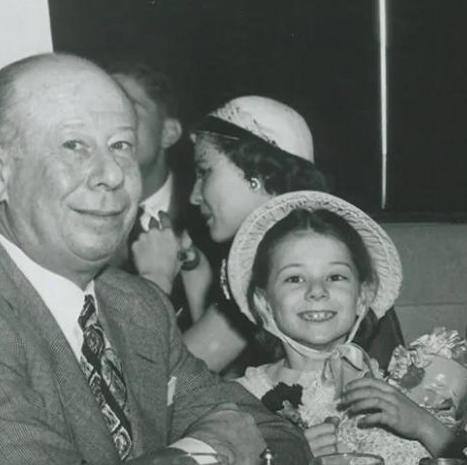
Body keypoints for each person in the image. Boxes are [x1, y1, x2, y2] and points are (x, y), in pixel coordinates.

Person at [0, 54, 309, 465]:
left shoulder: (133, 305)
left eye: (121, 146)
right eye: (74, 145)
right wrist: (211, 453)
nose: (112, 174)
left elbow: (282, 444)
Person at [228, 190, 467, 465]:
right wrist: (289, 457)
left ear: (363, 296)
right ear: (263, 302)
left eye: (335, 277)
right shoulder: (241, 401)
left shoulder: (402, 392)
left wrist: (423, 425)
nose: (317, 291)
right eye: (294, 278)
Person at [159, 96, 404, 372]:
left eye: (205, 172)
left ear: (258, 174)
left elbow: (167, 382)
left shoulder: (274, 270)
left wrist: (155, 279)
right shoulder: (316, 243)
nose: (194, 196)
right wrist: (196, 278)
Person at [104, 58, 211, 329]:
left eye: (126, 108)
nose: (107, 123)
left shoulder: (208, 217)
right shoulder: (75, 219)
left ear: (168, 133)